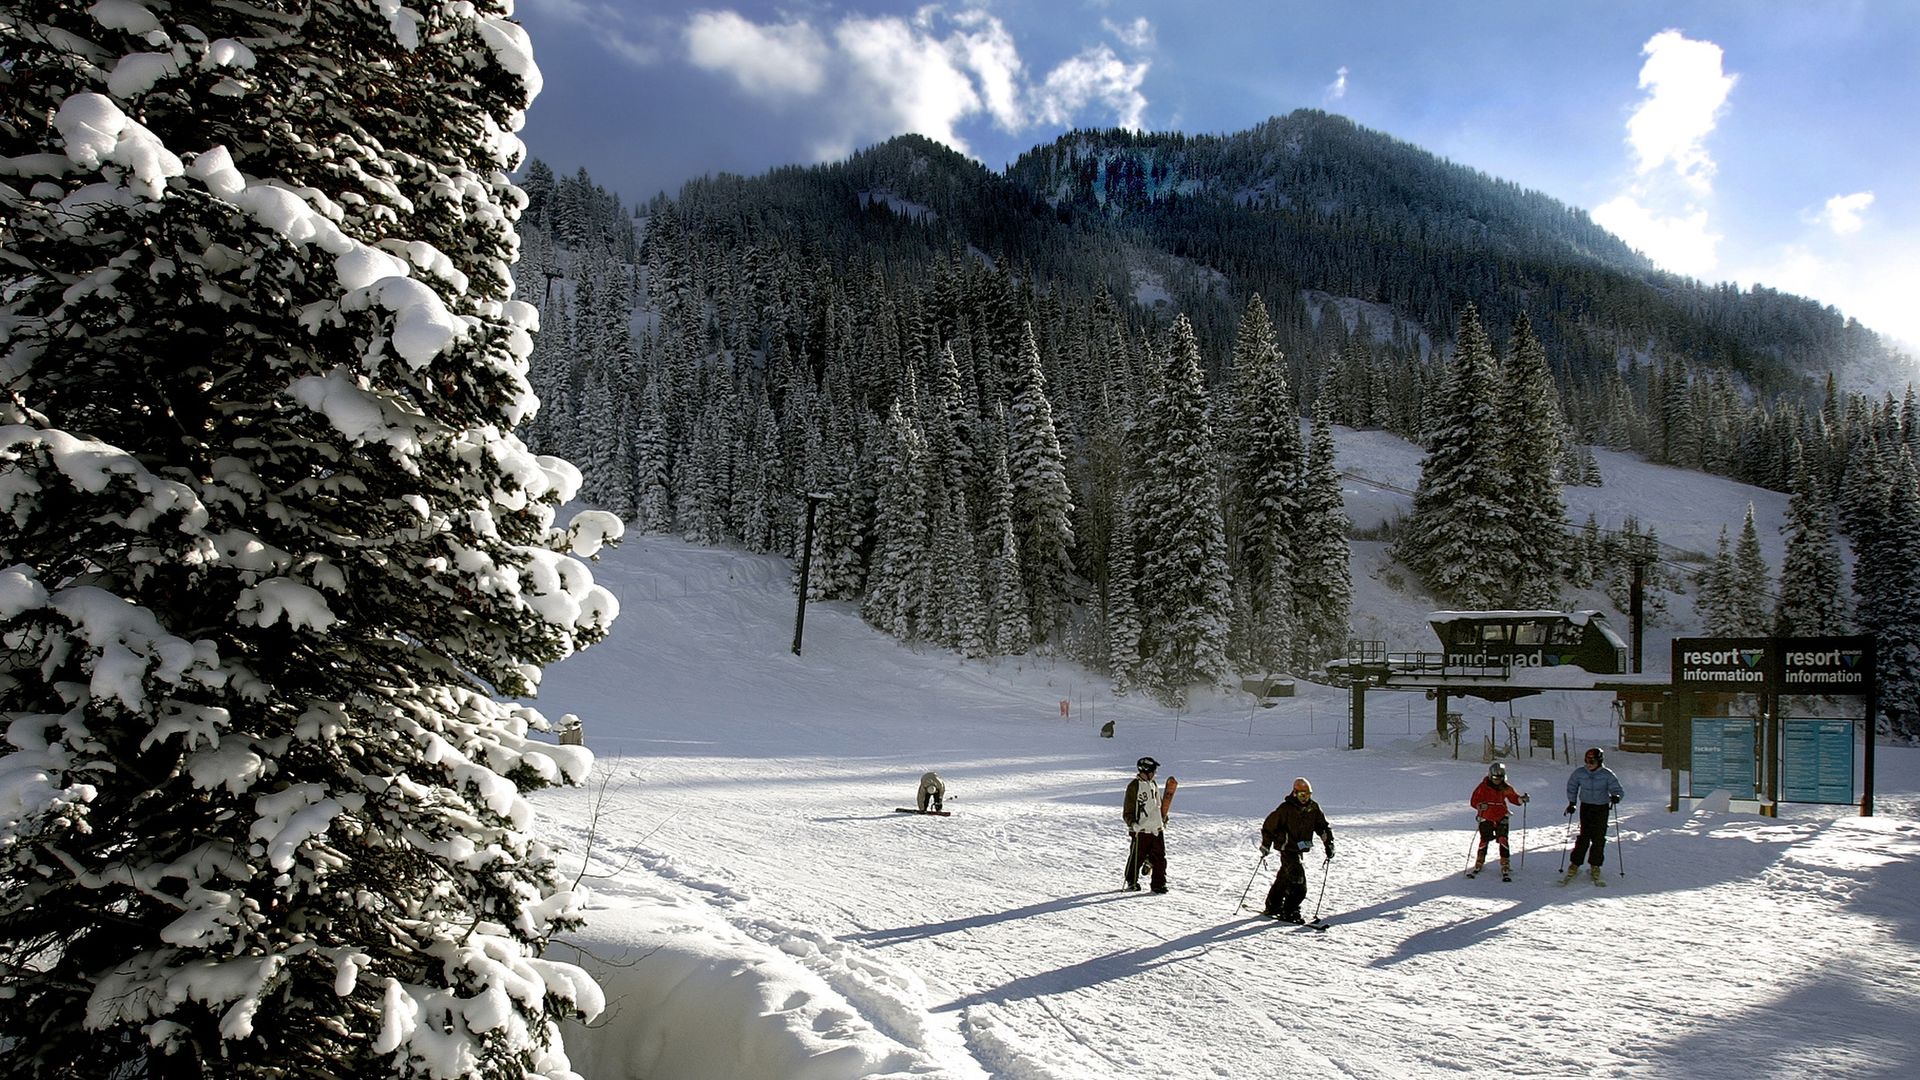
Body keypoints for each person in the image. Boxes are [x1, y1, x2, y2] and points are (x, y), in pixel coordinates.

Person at [1258, 776, 1335, 922]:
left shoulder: (1313, 808)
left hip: (1299, 848)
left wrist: (1329, 844)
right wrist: (1266, 845)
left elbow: (1322, 827)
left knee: (1285, 876)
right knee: (1298, 881)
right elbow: (1269, 827)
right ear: (1294, 793)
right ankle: (1290, 911)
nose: (1305, 798)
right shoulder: (1285, 809)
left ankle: (1273, 905)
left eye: (1307, 795)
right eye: (1301, 795)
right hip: (1287, 848)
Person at [1563, 746, 1624, 884]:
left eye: (1592, 762)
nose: (1589, 765)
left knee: (1598, 838)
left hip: (1601, 808)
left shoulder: (1607, 774)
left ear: (1599, 761)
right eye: (1587, 761)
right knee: (1584, 837)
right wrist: (1572, 803)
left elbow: (1617, 789)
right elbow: (1572, 786)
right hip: (1586, 807)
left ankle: (1595, 865)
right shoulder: (1580, 773)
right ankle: (1575, 863)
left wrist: (1616, 797)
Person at [1468, 761, 1529, 881]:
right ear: (1490, 776)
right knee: (1484, 839)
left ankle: (1505, 862)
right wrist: (1480, 806)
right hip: (1486, 817)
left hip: (1501, 816)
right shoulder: (1483, 787)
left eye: (1500, 778)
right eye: (1495, 778)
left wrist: (1521, 799)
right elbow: (1474, 801)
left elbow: (1513, 798)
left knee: (1503, 839)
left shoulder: (1505, 787)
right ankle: (1480, 859)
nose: (1497, 780)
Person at [1122, 756, 1168, 893]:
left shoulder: (1153, 784)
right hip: (1141, 829)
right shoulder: (1134, 786)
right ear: (1146, 771)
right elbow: (1128, 810)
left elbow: (1158, 805)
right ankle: (1131, 880)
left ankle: (1158, 884)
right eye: (1153, 771)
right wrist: (1132, 823)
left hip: (1156, 828)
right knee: (1137, 856)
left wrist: (1163, 818)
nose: (1155, 774)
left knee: (1160, 857)